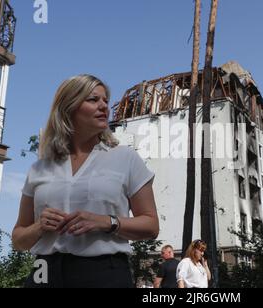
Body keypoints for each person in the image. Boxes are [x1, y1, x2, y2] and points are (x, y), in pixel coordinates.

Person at [12, 74, 159, 288]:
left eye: (105, 101)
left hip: (104, 273)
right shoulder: (39, 168)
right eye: (93, 99)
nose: (104, 107)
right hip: (43, 272)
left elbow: (151, 225)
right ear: (68, 108)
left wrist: (106, 222)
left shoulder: (125, 158)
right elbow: (18, 239)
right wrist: (39, 227)